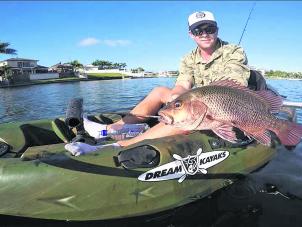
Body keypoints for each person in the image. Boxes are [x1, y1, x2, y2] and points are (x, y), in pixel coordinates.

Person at [66, 11, 250, 155]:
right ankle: (107, 131)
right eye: (198, 30)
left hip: (226, 108)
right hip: (200, 103)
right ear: (191, 34)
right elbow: (183, 83)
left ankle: (120, 144)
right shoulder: (188, 58)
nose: (204, 34)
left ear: (217, 29)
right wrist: (176, 98)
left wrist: (181, 109)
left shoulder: (233, 51)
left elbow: (234, 83)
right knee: (160, 90)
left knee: (180, 120)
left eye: (209, 29)